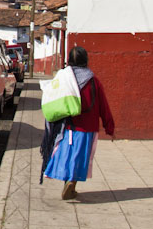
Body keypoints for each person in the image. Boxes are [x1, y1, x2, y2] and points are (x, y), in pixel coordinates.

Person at [41, 46, 114, 200]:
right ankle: (72, 182)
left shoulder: (64, 78)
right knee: (80, 156)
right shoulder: (93, 81)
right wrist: (109, 126)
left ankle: (67, 182)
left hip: (67, 126)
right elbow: (103, 105)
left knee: (67, 155)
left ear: (69, 60)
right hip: (87, 126)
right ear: (85, 60)